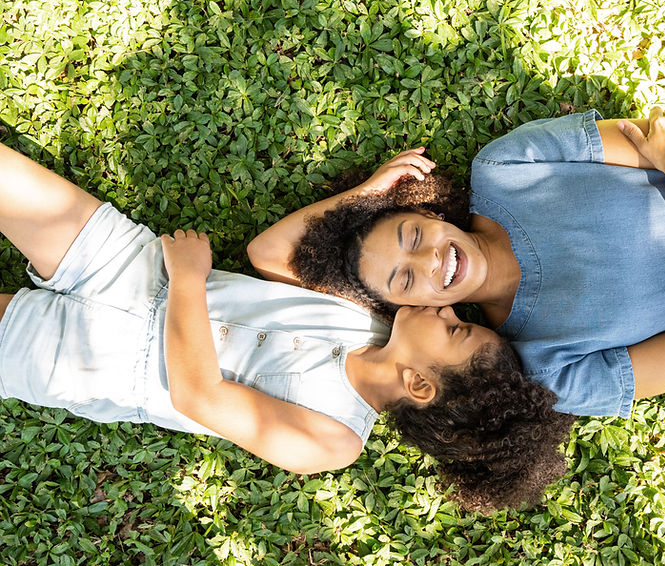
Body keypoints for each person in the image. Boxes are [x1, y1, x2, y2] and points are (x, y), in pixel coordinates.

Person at [0, 141, 573, 512]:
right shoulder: (372, 320)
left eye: (454, 331)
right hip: (132, 265)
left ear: (420, 386)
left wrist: (191, 282)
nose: (449, 310)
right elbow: (271, 252)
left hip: (91, 359)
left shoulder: (332, 440)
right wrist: (369, 193)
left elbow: (199, 394)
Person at [248, 107, 665, 417]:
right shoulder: (553, 372)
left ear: (426, 210)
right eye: (405, 278)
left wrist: (369, 194)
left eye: (410, 232)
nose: (429, 258)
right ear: (418, 306)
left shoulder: (508, 167)